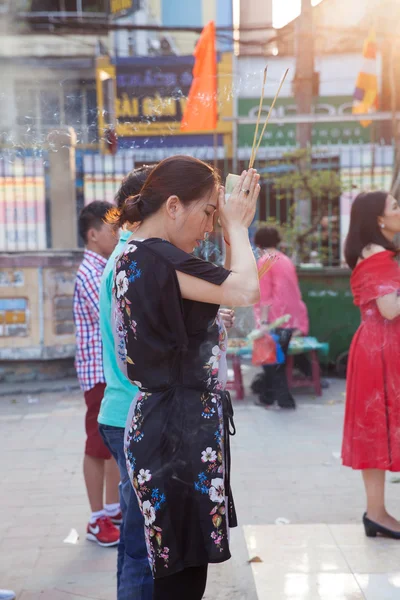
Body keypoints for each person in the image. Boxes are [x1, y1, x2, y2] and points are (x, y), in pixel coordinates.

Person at [109, 156, 260, 599]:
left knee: (183, 572)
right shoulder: (157, 257)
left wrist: (232, 219)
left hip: (171, 425)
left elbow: (230, 284)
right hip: (173, 431)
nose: (211, 226)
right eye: (209, 212)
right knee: (180, 579)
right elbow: (247, 289)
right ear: (173, 205)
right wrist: (240, 226)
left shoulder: (142, 254)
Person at [98, 166, 155, 600]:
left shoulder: (126, 255)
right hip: (132, 411)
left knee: (137, 539)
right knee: (142, 545)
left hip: (123, 409)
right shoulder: (129, 261)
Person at [343, 190, 400, 539]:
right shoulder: (379, 255)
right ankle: (376, 513)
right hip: (383, 348)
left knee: (377, 429)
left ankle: (376, 513)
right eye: (394, 206)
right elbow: (390, 309)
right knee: (380, 427)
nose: (399, 210)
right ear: (379, 219)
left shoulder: (372, 252)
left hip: (376, 347)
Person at [73, 200, 121, 547]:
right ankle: (95, 519)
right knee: (97, 444)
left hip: (107, 370)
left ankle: (112, 508)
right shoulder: (91, 273)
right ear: (93, 235)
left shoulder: (100, 267)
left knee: (110, 442)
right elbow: (115, 315)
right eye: (111, 229)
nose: (117, 235)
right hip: (97, 371)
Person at [252, 226, 309, 409]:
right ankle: (267, 398)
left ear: (258, 243)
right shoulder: (285, 260)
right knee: (275, 360)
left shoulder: (265, 261)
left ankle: (285, 400)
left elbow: (265, 295)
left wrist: (264, 322)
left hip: (274, 318)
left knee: (271, 362)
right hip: (289, 318)